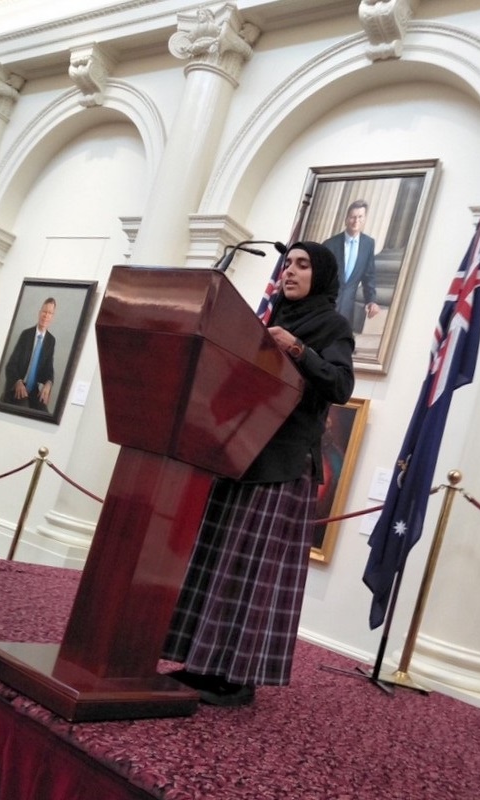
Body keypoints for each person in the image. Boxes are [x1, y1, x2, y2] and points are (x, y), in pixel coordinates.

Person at [162, 241, 355, 707]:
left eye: (302, 265)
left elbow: (341, 385)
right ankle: (201, 660)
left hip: (282, 465)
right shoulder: (270, 317)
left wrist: (300, 350)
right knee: (217, 562)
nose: (289, 271)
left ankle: (236, 678)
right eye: (286, 263)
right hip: (240, 453)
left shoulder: (332, 325)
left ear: (322, 275)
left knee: (249, 572)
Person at [323, 200, 380, 331]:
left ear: (365, 219)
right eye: (353, 217)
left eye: (360, 217)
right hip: (326, 306)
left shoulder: (368, 244)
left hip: (347, 309)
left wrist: (371, 300)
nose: (356, 221)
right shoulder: (329, 244)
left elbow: (369, 275)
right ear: (346, 219)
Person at [3, 297, 56, 411]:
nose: (46, 315)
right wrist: (17, 382)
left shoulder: (51, 341)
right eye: (44, 311)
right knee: (25, 410)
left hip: (34, 391)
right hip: (19, 387)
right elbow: (11, 365)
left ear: (52, 317)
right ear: (39, 313)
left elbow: (49, 369)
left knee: (44, 415)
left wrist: (48, 383)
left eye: (50, 313)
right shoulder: (26, 335)